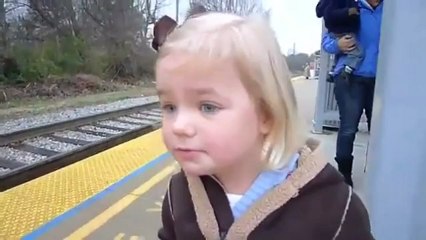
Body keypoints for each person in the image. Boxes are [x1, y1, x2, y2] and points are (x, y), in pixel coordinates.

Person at [154, 11, 374, 240]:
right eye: (170, 107)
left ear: (266, 115)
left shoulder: (335, 210)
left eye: (207, 107)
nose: (178, 126)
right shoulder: (178, 194)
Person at [322, 0, 383, 186]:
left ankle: (377, 173)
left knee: (380, 132)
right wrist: (337, 45)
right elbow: (326, 41)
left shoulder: (393, 14)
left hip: (382, 81)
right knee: (348, 129)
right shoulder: (352, 9)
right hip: (350, 79)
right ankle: (344, 177)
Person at [316, 0, 363, 82]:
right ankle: (347, 70)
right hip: (344, 32)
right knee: (358, 52)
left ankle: (332, 72)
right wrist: (337, 45)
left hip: (341, 31)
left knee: (340, 56)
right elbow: (326, 44)